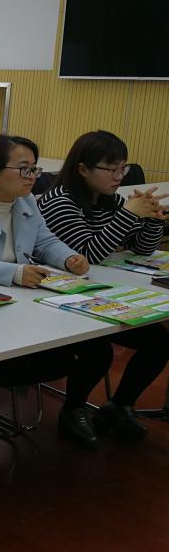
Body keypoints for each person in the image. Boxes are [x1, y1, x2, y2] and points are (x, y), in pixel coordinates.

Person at [0, 134, 111, 450]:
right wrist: (15, 273)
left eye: (34, 169)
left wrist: (68, 258)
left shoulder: (26, 201)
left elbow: (45, 242)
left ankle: (74, 409)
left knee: (98, 349)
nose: (32, 177)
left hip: (24, 298)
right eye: (24, 169)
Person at [38, 130, 169, 440]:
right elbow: (87, 254)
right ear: (83, 169)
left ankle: (119, 405)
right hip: (58, 300)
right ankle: (72, 410)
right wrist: (127, 215)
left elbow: (142, 249)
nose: (119, 177)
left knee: (161, 341)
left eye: (123, 168)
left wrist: (153, 218)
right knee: (98, 351)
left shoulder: (111, 200)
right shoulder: (59, 202)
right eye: (111, 169)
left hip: (100, 291)